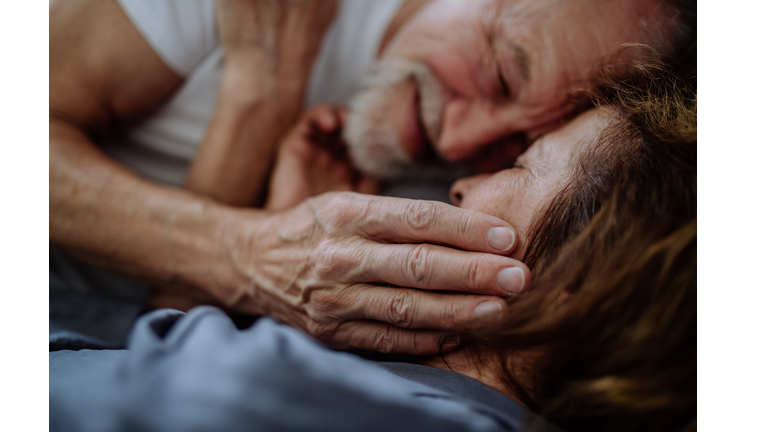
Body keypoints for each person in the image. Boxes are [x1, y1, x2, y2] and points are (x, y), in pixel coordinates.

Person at [49, 65, 696, 432]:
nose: (461, 184)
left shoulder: (278, 391)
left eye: (523, 167)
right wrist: (253, 262)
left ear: (578, 280)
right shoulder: (332, 377)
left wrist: (245, 260)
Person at [49, 0, 695, 352]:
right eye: (500, 73)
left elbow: (166, 344)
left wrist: (260, 98)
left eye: (526, 143)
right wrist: (241, 250)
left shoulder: (479, 202)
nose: (458, 143)